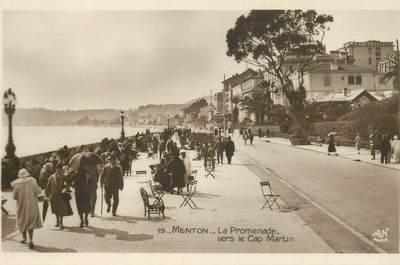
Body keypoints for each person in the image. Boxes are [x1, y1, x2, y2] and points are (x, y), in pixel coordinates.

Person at [11, 168, 43, 249]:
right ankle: (31, 240)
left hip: (21, 206)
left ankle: (24, 238)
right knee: (31, 222)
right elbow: (39, 192)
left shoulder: (17, 184)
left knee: (22, 221)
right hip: (32, 206)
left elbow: (14, 197)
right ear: (27, 174)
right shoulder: (32, 181)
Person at [45, 163, 73, 229]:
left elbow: (68, 185)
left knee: (61, 209)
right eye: (57, 169)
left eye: (60, 169)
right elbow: (48, 186)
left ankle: (61, 222)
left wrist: (66, 188)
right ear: (55, 169)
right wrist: (46, 194)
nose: (58, 170)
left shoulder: (64, 176)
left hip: (61, 195)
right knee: (55, 209)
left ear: (61, 169)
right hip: (54, 195)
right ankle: (57, 221)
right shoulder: (52, 177)